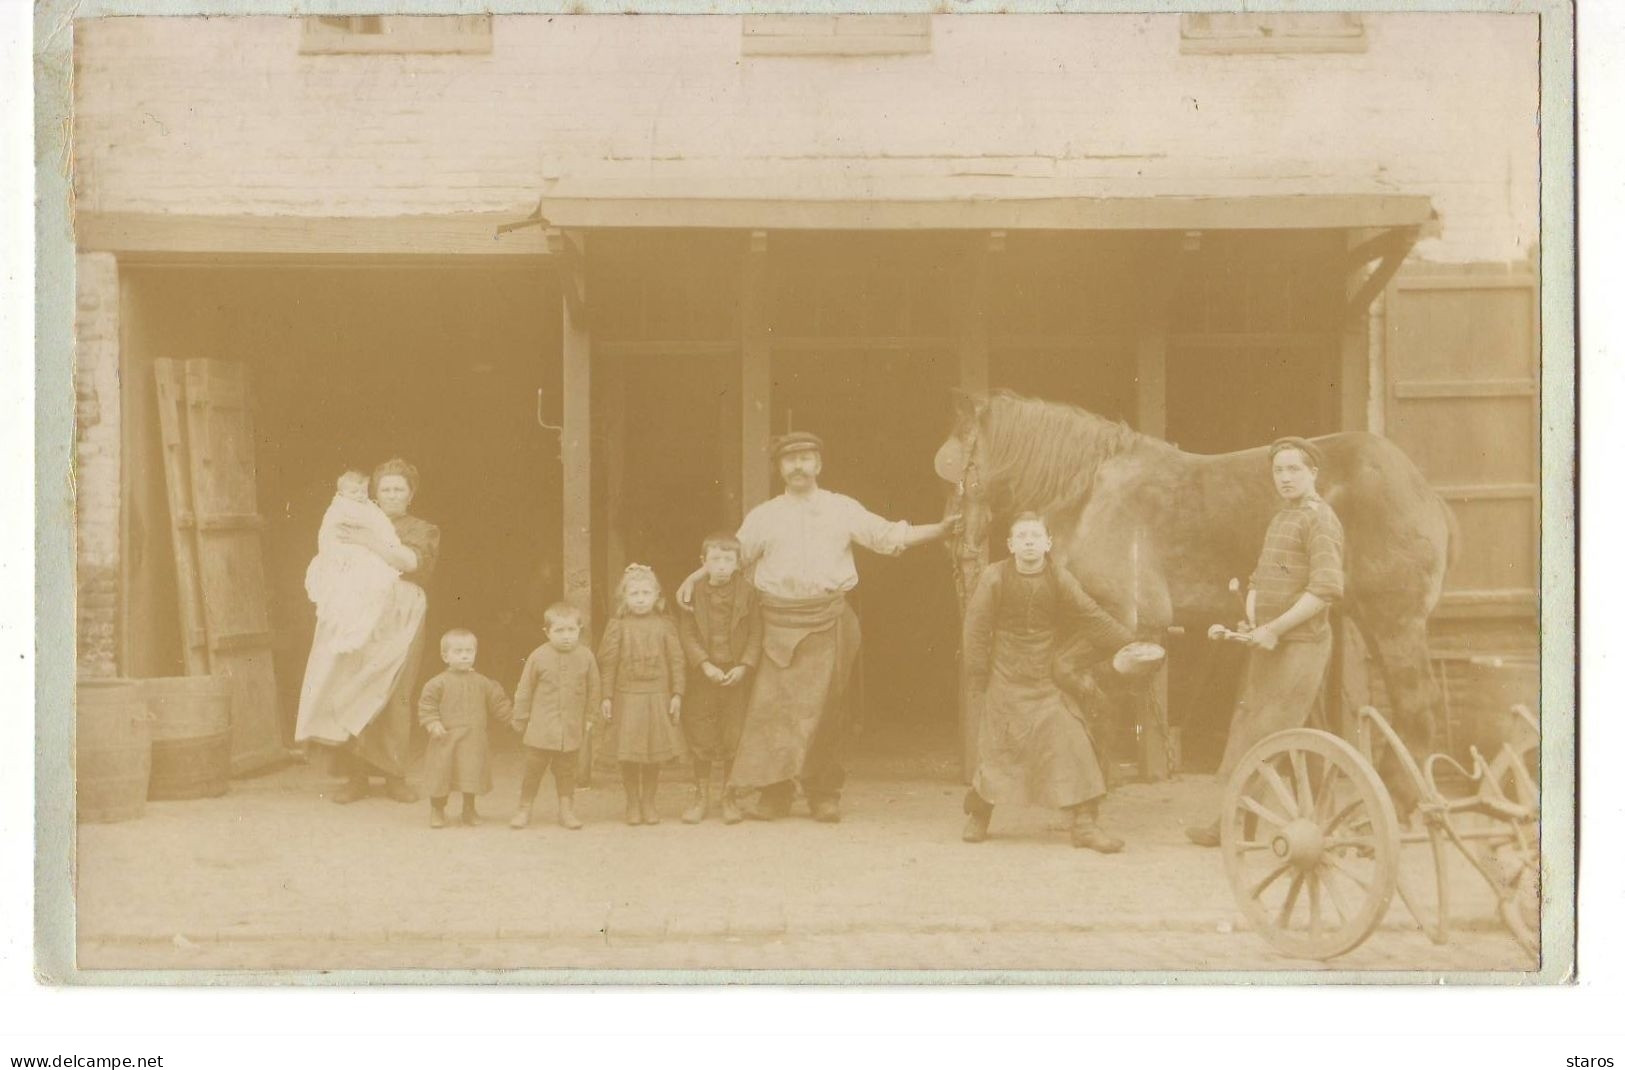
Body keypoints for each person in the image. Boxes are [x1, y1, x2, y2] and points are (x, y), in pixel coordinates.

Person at [676, 431, 958, 824]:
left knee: (827, 713)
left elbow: (888, 536)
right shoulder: (765, 515)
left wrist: (942, 529)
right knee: (773, 712)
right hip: (774, 622)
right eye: (790, 460)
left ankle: (823, 793)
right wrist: (693, 578)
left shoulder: (842, 509)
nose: (798, 466)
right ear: (779, 469)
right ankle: (776, 793)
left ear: (819, 465)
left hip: (830, 620)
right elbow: (730, 558)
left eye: (806, 458)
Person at [1187, 437, 1345, 847]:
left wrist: (1275, 628)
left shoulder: (1320, 520)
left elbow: (1325, 589)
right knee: (1263, 726)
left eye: (1294, 469)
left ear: (1314, 474)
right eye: (1279, 470)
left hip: (1301, 645)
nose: (1286, 478)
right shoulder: (1283, 518)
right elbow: (1264, 576)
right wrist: (1256, 618)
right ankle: (1258, 820)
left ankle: (1233, 822)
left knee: (1266, 733)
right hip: (1271, 643)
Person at [960, 513, 1136, 852]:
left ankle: (1084, 824)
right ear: (1010, 545)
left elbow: (1091, 616)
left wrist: (1128, 642)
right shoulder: (994, 577)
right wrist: (978, 676)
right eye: (1022, 536)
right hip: (1005, 677)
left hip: (1043, 678)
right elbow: (976, 628)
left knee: (1072, 739)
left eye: (1035, 535)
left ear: (1048, 543)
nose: (1029, 541)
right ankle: (979, 815)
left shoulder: (1059, 577)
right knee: (999, 751)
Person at [294, 457, 441, 805]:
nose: (391, 495)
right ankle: (356, 776)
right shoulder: (351, 518)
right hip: (359, 611)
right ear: (374, 492)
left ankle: (394, 775)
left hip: (402, 611)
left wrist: (371, 542)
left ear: (410, 494)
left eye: (398, 489)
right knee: (355, 685)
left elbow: (411, 563)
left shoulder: (422, 529)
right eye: (385, 488)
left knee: (396, 691)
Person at [676, 532, 762, 824]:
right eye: (715, 559)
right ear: (703, 563)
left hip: (735, 675)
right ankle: (701, 796)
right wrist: (703, 664)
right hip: (704, 675)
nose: (722, 566)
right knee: (701, 732)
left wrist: (745, 666)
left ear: (739, 563)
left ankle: (728, 797)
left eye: (729, 560)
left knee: (732, 733)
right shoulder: (693, 592)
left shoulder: (749, 593)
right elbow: (686, 633)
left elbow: (755, 633)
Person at [600, 565, 686, 826]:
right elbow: (608, 663)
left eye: (645, 593)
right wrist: (607, 696)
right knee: (629, 753)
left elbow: (677, 661)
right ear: (624, 597)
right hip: (627, 696)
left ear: (657, 596)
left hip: (657, 696)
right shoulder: (617, 626)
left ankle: (649, 802)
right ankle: (632, 802)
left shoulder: (665, 625)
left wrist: (677, 693)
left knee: (652, 754)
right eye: (634, 593)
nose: (640, 598)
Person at [510, 603, 601, 831]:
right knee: (533, 770)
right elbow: (524, 689)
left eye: (571, 630)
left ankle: (566, 810)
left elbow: (594, 689)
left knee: (566, 771)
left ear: (580, 629)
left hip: (570, 729)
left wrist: (590, 716)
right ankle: (524, 808)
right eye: (559, 631)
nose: (566, 636)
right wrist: (520, 719)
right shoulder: (538, 657)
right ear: (547, 632)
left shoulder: (586, 657)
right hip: (541, 729)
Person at [303, 469, 407, 653]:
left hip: (367, 556)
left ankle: (363, 633)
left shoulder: (370, 508)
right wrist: (334, 555)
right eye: (353, 492)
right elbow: (327, 533)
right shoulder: (338, 509)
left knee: (374, 589)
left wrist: (390, 542)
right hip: (344, 556)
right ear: (341, 492)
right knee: (343, 596)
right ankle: (346, 635)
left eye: (363, 491)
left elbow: (382, 527)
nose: (359, 496)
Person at [418, 628, 512, 829]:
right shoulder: (437, 683)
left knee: (471, 775)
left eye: (469, 651)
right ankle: (437, 809)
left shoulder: (483, 682)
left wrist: (512, 720)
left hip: (473, 741)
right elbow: (427, 705)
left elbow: (498, 702)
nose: (464, 656)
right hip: (445, 740)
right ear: (445, 656)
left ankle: (469, 809)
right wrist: (432, 722)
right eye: (458, 651)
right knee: (441, 775)